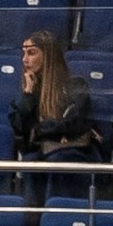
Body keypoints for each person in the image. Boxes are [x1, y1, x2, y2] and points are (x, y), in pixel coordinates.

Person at [11, 28, 101, 207]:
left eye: (31, 53)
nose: (24, 59)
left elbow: (71, 125)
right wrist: (28, 95)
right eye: (23, 53)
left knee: (55, 162)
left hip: (74, 152)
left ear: (48, 56)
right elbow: (20, 131)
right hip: (45, 151)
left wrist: (40, 130)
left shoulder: (76, 85)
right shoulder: (31, 91)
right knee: (30, 162)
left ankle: (55, 216)